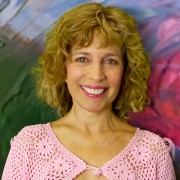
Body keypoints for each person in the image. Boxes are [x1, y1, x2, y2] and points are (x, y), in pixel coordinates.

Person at [2, 2, 176, 180]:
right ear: (63, 68)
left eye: (110, 61)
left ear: (125, 71)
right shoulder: (29, 144)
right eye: (83, 58)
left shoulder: (152, 151)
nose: (96, 75)